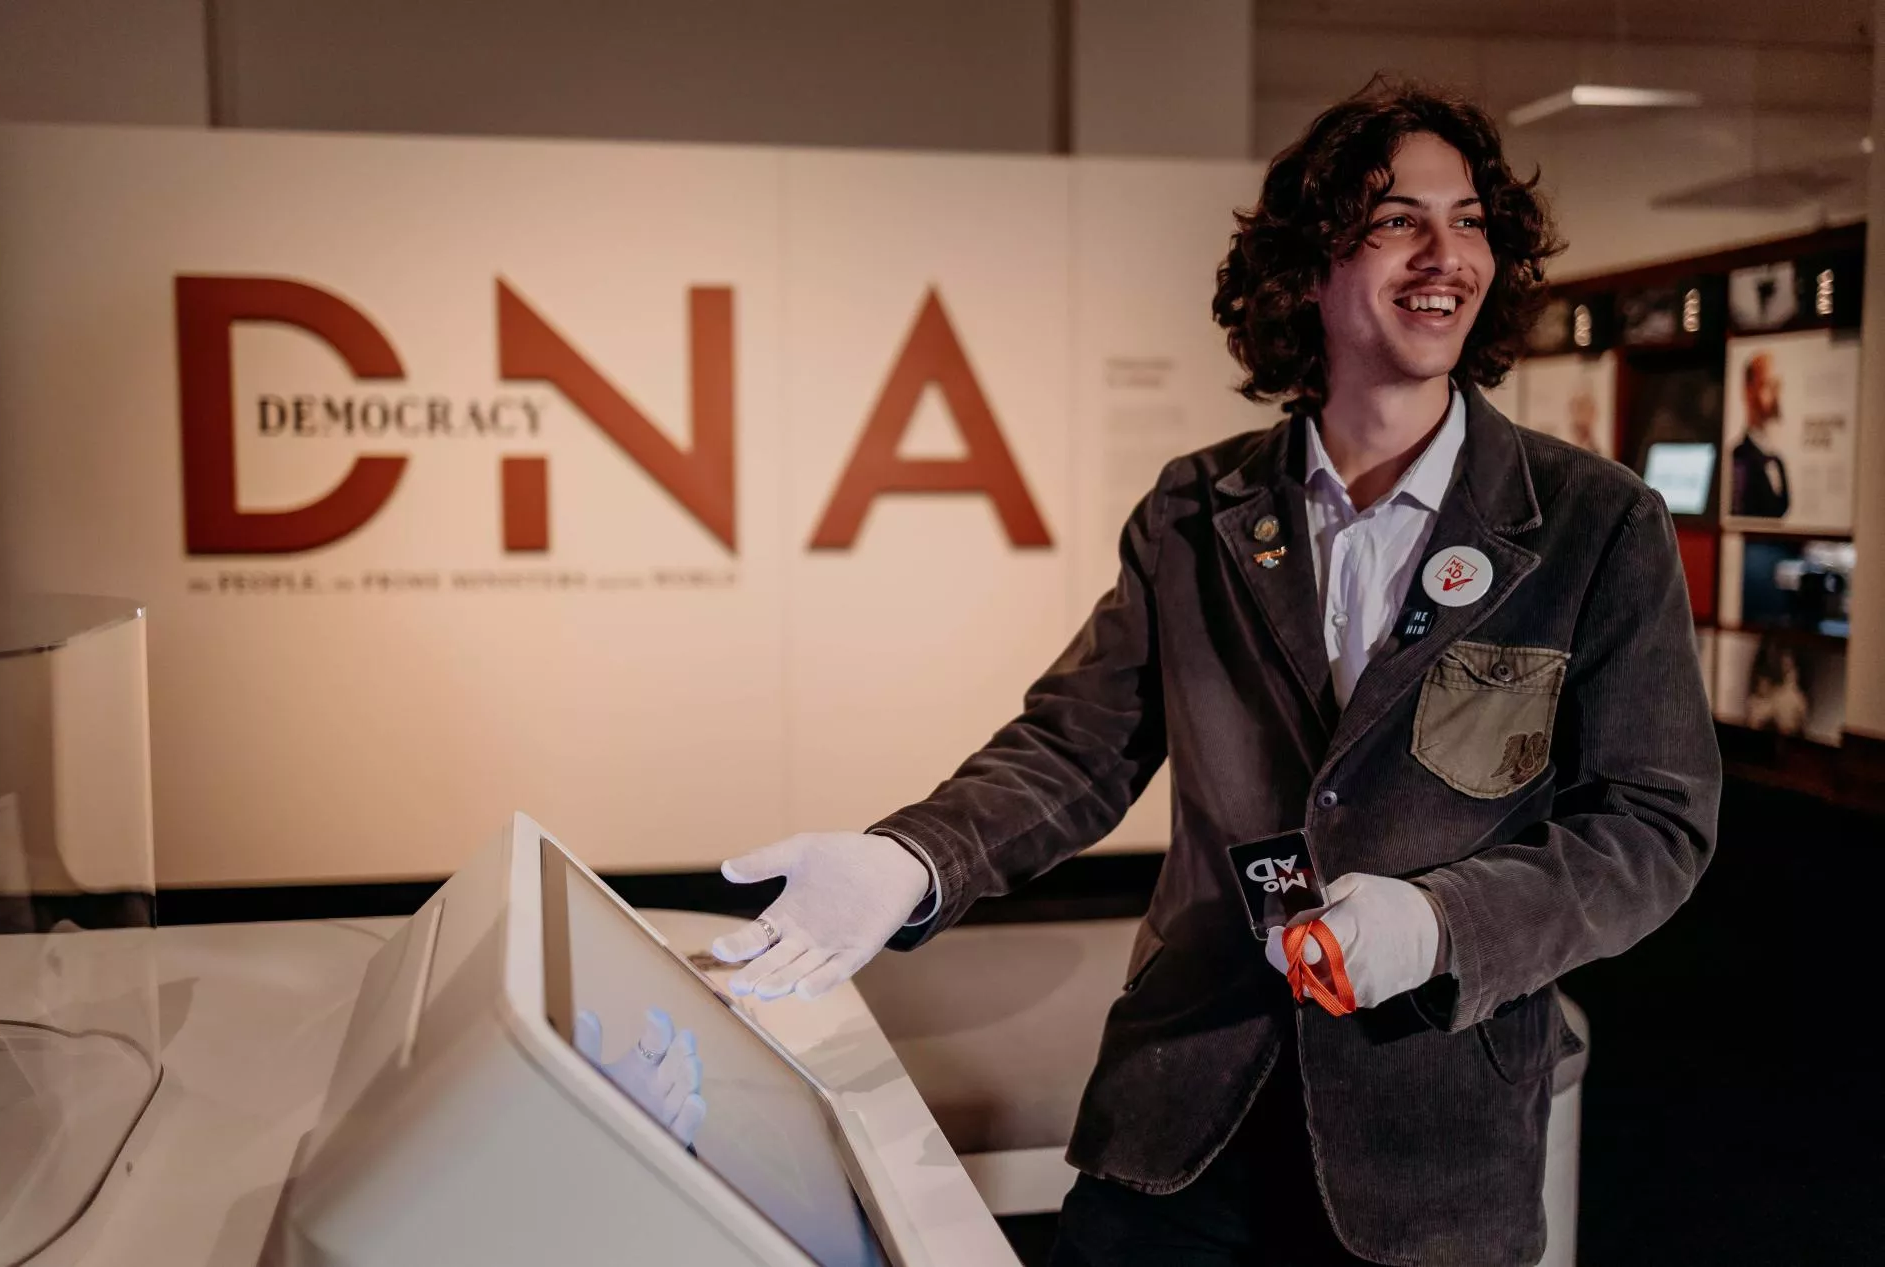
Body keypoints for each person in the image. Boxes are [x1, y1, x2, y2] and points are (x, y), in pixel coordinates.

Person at [710, 80, 1720, 1266]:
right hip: (1181, 1122)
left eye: (1471, 222)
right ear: (1307, 267)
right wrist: (911, 857)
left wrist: (1442, 923)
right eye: (1398, 219)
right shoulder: (1198, 507)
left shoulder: (1593, 525)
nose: (1446, 254)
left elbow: (1654, 824)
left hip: (1427, 1151)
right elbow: (1077, 745)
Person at [1730, 352, 1790, 518]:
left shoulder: (1777, 457)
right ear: (1748, 391)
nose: (1775, 397)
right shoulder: (1739, 455)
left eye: (1776, 386)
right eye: (1766, 385)